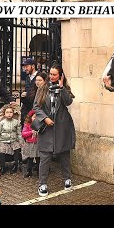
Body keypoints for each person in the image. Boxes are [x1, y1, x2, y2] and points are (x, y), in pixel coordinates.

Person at [33, 64, 76, 196]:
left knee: (64, 154)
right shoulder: (43, 88)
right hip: (47, 127)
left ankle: (67, 179)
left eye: (54, 74)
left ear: (61, 75)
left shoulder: (65, 88)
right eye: (50, 74)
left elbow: (68, 102)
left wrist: (62, 88)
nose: (51, 77)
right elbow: (36, 106)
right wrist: (45, 118)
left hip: (62, 126)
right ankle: (42, 184)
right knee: (45, 156)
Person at [0, 105, 23, 175]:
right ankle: (2, 167)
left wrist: (21, 141)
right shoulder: (1, 123)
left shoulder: (16, 122)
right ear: (4, 114)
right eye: (7, 112)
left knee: (17, 149)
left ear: (13, 113)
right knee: (1, 151)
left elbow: (19, 133)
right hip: (3, 141)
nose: (9, 114)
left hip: (13, 140)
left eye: (10, 112)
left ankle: (15, 165)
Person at [21, 110, 40, 178]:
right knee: (30, 158)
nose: (36, 119)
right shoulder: (27, 125)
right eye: (34, 117)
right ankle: (29, 171)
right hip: (30, 144)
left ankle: (39, 170)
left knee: (38, 158)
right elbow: (23, 134)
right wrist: (31, 132)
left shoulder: (41, 125)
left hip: (38, 143)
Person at [20, 58, 38, 123]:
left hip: (36, 106)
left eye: (27, 66)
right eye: (24, 67)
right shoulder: (27, 77)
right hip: (27, 106)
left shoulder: (39, 76)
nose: (25, 69)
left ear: (33, 66)